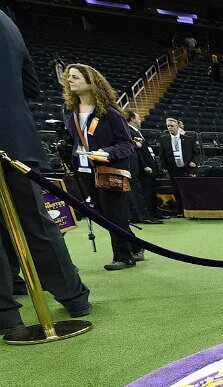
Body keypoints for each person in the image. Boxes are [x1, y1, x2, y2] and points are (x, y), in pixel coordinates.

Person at [0, 0, 91, 334]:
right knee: (36, 219)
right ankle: (73, 296)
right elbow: (31, 87)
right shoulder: (4, 18)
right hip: (17, 136)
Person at [62, 63, 141, 270]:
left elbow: (127, 144)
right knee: (102, 214)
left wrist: (107, 153)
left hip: (108, 170)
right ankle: (134, 244)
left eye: (76, 77)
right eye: (69, 77)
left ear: (91, 81)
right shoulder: (69, 112)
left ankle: (123, 257)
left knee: (114, 213)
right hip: (84, 171)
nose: (70, 80)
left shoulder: (110, 113)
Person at [125, 110, 162, 225]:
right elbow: (138, 151)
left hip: (143, 166)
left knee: (146, 192)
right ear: (132, 119)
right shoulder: (129, 131)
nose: (140, 120)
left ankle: (149, 214)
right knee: (140, 193)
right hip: (139, 167)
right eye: (138, 118)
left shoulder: (136, 132)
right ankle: (143, 216)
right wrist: (145, 165)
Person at [159, 117, 197, 214]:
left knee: (188, 191)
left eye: (172, 126)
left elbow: (196, 153)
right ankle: (180, 211)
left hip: (187, 169)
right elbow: (162, 156)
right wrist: (164, 168)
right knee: (176, 190)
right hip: (173, 170)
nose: (169, 128)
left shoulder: (189, 139)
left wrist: (194, 161)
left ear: (177, 127)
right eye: (168, 126)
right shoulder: (164, 139)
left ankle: (190, 209)